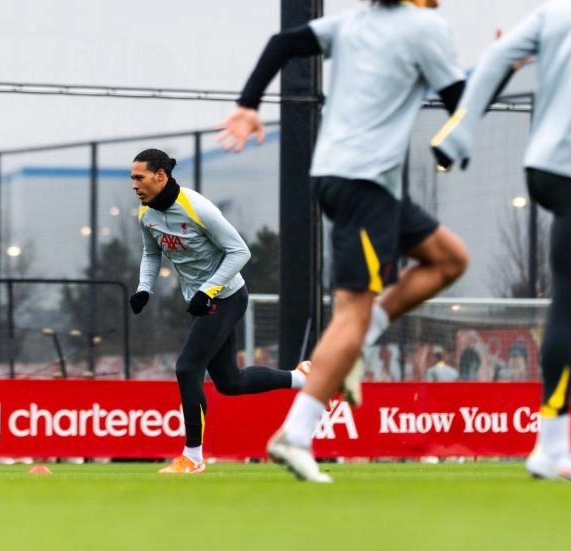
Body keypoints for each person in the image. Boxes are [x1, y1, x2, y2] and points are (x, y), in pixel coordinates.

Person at [216, 0, 469, 482]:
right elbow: (462, 103)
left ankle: (360, 341)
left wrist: (248, 104)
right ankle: (295, 433)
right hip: (364, 184)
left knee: (449, 259)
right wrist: (502, 70)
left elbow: (283, 42)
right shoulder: (426, 27)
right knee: (352, 310)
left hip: (360, 182)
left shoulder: (353, 23)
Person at [430, 0, 571, 482]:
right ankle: (552, 447)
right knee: (570, 307)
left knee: (569, 304)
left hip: (545, 166)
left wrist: (461, 128)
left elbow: (498, 56)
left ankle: (553, 446)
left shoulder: (560, 12)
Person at [129, 148, 309, 474]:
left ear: (160, 175)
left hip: (225, 296)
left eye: (139, 177)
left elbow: (241, 252)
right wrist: (144, 289)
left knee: (187, 368)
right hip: (203, 300)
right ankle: (301, 378)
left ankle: (193, 457)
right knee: (230, 383)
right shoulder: (146, 215)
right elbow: (151, 254)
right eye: (132, 178)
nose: (134, 185)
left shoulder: (197, 208)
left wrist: (207, 290)